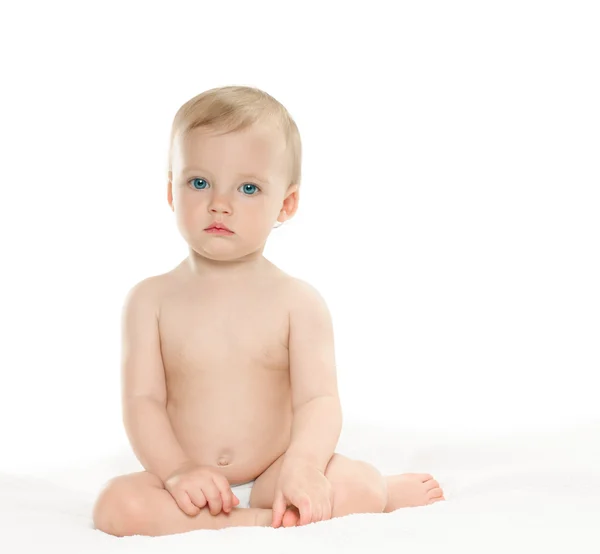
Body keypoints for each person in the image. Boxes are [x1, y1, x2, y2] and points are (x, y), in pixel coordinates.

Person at [92, 85, 445, 537]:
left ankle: (369, 492)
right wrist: (178, 472)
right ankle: (263, 524)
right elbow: (143, 403)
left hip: (273, 475)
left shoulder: (298, 302)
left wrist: (303, 467)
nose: (220, 202)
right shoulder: (149, 300)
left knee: (356, 485)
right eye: (199, 182)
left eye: (249, 188)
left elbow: (317, 400)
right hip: (187, 486)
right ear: (170, 192)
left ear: (287, 203)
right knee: (115, 507)